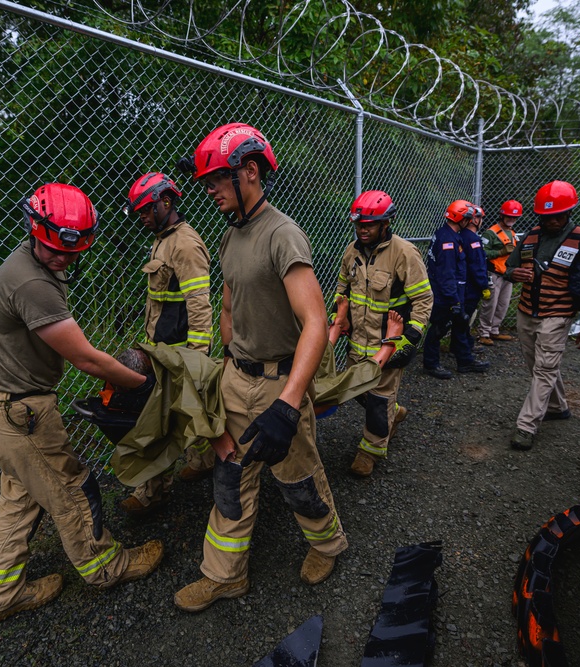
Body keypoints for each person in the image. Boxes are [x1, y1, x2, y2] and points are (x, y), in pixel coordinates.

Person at [0, 183, 163, 626]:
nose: (64, 258)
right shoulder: (33, 282)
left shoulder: (27, 265)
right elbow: (86, 357)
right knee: (70, 489)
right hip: (16, 415)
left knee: (22, 498)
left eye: (72, 252)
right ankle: (107, 567)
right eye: (55, 249)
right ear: (35, 229)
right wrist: (143, 384)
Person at [172, 122, 348, 612]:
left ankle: (327, 545)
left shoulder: (282, 234)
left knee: (297, 476)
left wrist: (290, 404)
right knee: (230, 476)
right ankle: (224, 575)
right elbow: (228, 309)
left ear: (249, 171)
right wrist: (224, 369)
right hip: (236, 377)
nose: (208, 191)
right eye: (206, 182)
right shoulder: (230, 238)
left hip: (278, 384)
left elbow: (315, 321)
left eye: (216, 181)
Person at [120, 172, 215, 516]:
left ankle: (152, 492)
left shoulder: (185, 245)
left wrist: (197, 358)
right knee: (188, 414)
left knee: (157, 421)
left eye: (146, 210)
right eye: (140, 212)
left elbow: (199, 304)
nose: (142, 217)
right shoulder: (162, 239)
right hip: (160, 350)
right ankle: (204, 459)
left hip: (180, 354)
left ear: (166, 201)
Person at [331, 190, 432, 477]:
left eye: (370, 224)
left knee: (378, 400)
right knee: (357, 391)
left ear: (386, 223)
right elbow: (342, 292)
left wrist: (411, 338)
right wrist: (338, 319)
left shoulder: (404, 254)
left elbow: (423, 300)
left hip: (388, 344)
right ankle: (395, 412)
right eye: (359, 224)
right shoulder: (351, 253)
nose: (363, 229)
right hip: (357, 344)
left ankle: (369, 452)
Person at [504, 180, 580, 451]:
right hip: (526, 313)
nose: (552, 221)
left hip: (558, 315)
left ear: (569, 212)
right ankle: (557, 406)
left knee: (545, 368)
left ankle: (526, 426)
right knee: (538, 366)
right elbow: (510, 265)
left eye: (558, 215)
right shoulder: (530, 236)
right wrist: (513, 273)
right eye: (547, 216)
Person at [422, 200, 480, 379]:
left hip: (447, 293)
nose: (470, 221)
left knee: (453, 326)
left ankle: (463, 360)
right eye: (467, 218)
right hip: (445, 295)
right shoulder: (448, 240)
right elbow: (447, 273)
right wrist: (454, 300)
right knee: (439, 328)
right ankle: (431, 364)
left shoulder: (445, 233)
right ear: (461, 218)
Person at [449, 204, 491, 371]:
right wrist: (484, 285)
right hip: (470, 287)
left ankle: (460, 346)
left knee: (462, 320)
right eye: (480, 218)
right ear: (474, 219)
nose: (481, 221)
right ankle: (465, 358)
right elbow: (477, 265)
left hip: (463, 285)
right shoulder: (472, 239)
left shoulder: (461, 236)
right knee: (463, 321)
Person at [478, 200, 523, 345]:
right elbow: (482, 253)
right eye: (509, 216)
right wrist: (500, 252)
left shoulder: (513, 233)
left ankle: (494, 330)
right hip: (494, 274)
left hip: (507, 274)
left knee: (503, 304)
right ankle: (483, 333)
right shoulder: (490, 233)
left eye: (514, 217)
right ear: (502, 215)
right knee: (490, 304)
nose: (512, 220)